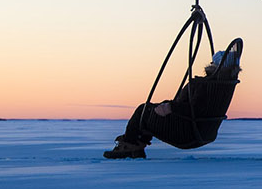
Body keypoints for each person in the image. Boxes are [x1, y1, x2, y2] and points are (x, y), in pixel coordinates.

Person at [104, 40, 243, 158]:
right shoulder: (222, 87)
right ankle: (135, 146)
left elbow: (196, 109)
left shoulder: (206, 84)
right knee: (151, 109)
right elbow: (201, 108)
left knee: (143, 111)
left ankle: (129, 147)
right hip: (203, 132)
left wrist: (171, 107)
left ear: (215, 66)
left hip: (187, 132)